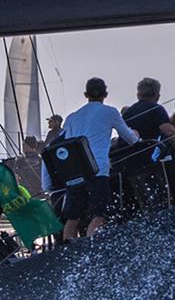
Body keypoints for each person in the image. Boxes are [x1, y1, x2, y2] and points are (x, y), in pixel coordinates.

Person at [44, 77, 140, 239]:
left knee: (73, 217)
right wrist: (136, 135)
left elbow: (63, 141)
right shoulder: (110, 112)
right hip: (98, 170)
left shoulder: (72, 117)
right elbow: (130, 139)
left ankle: (70, 253)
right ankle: (91, 248)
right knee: (99, 215)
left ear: (85, 94)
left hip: (74, 172)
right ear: (105, 94)